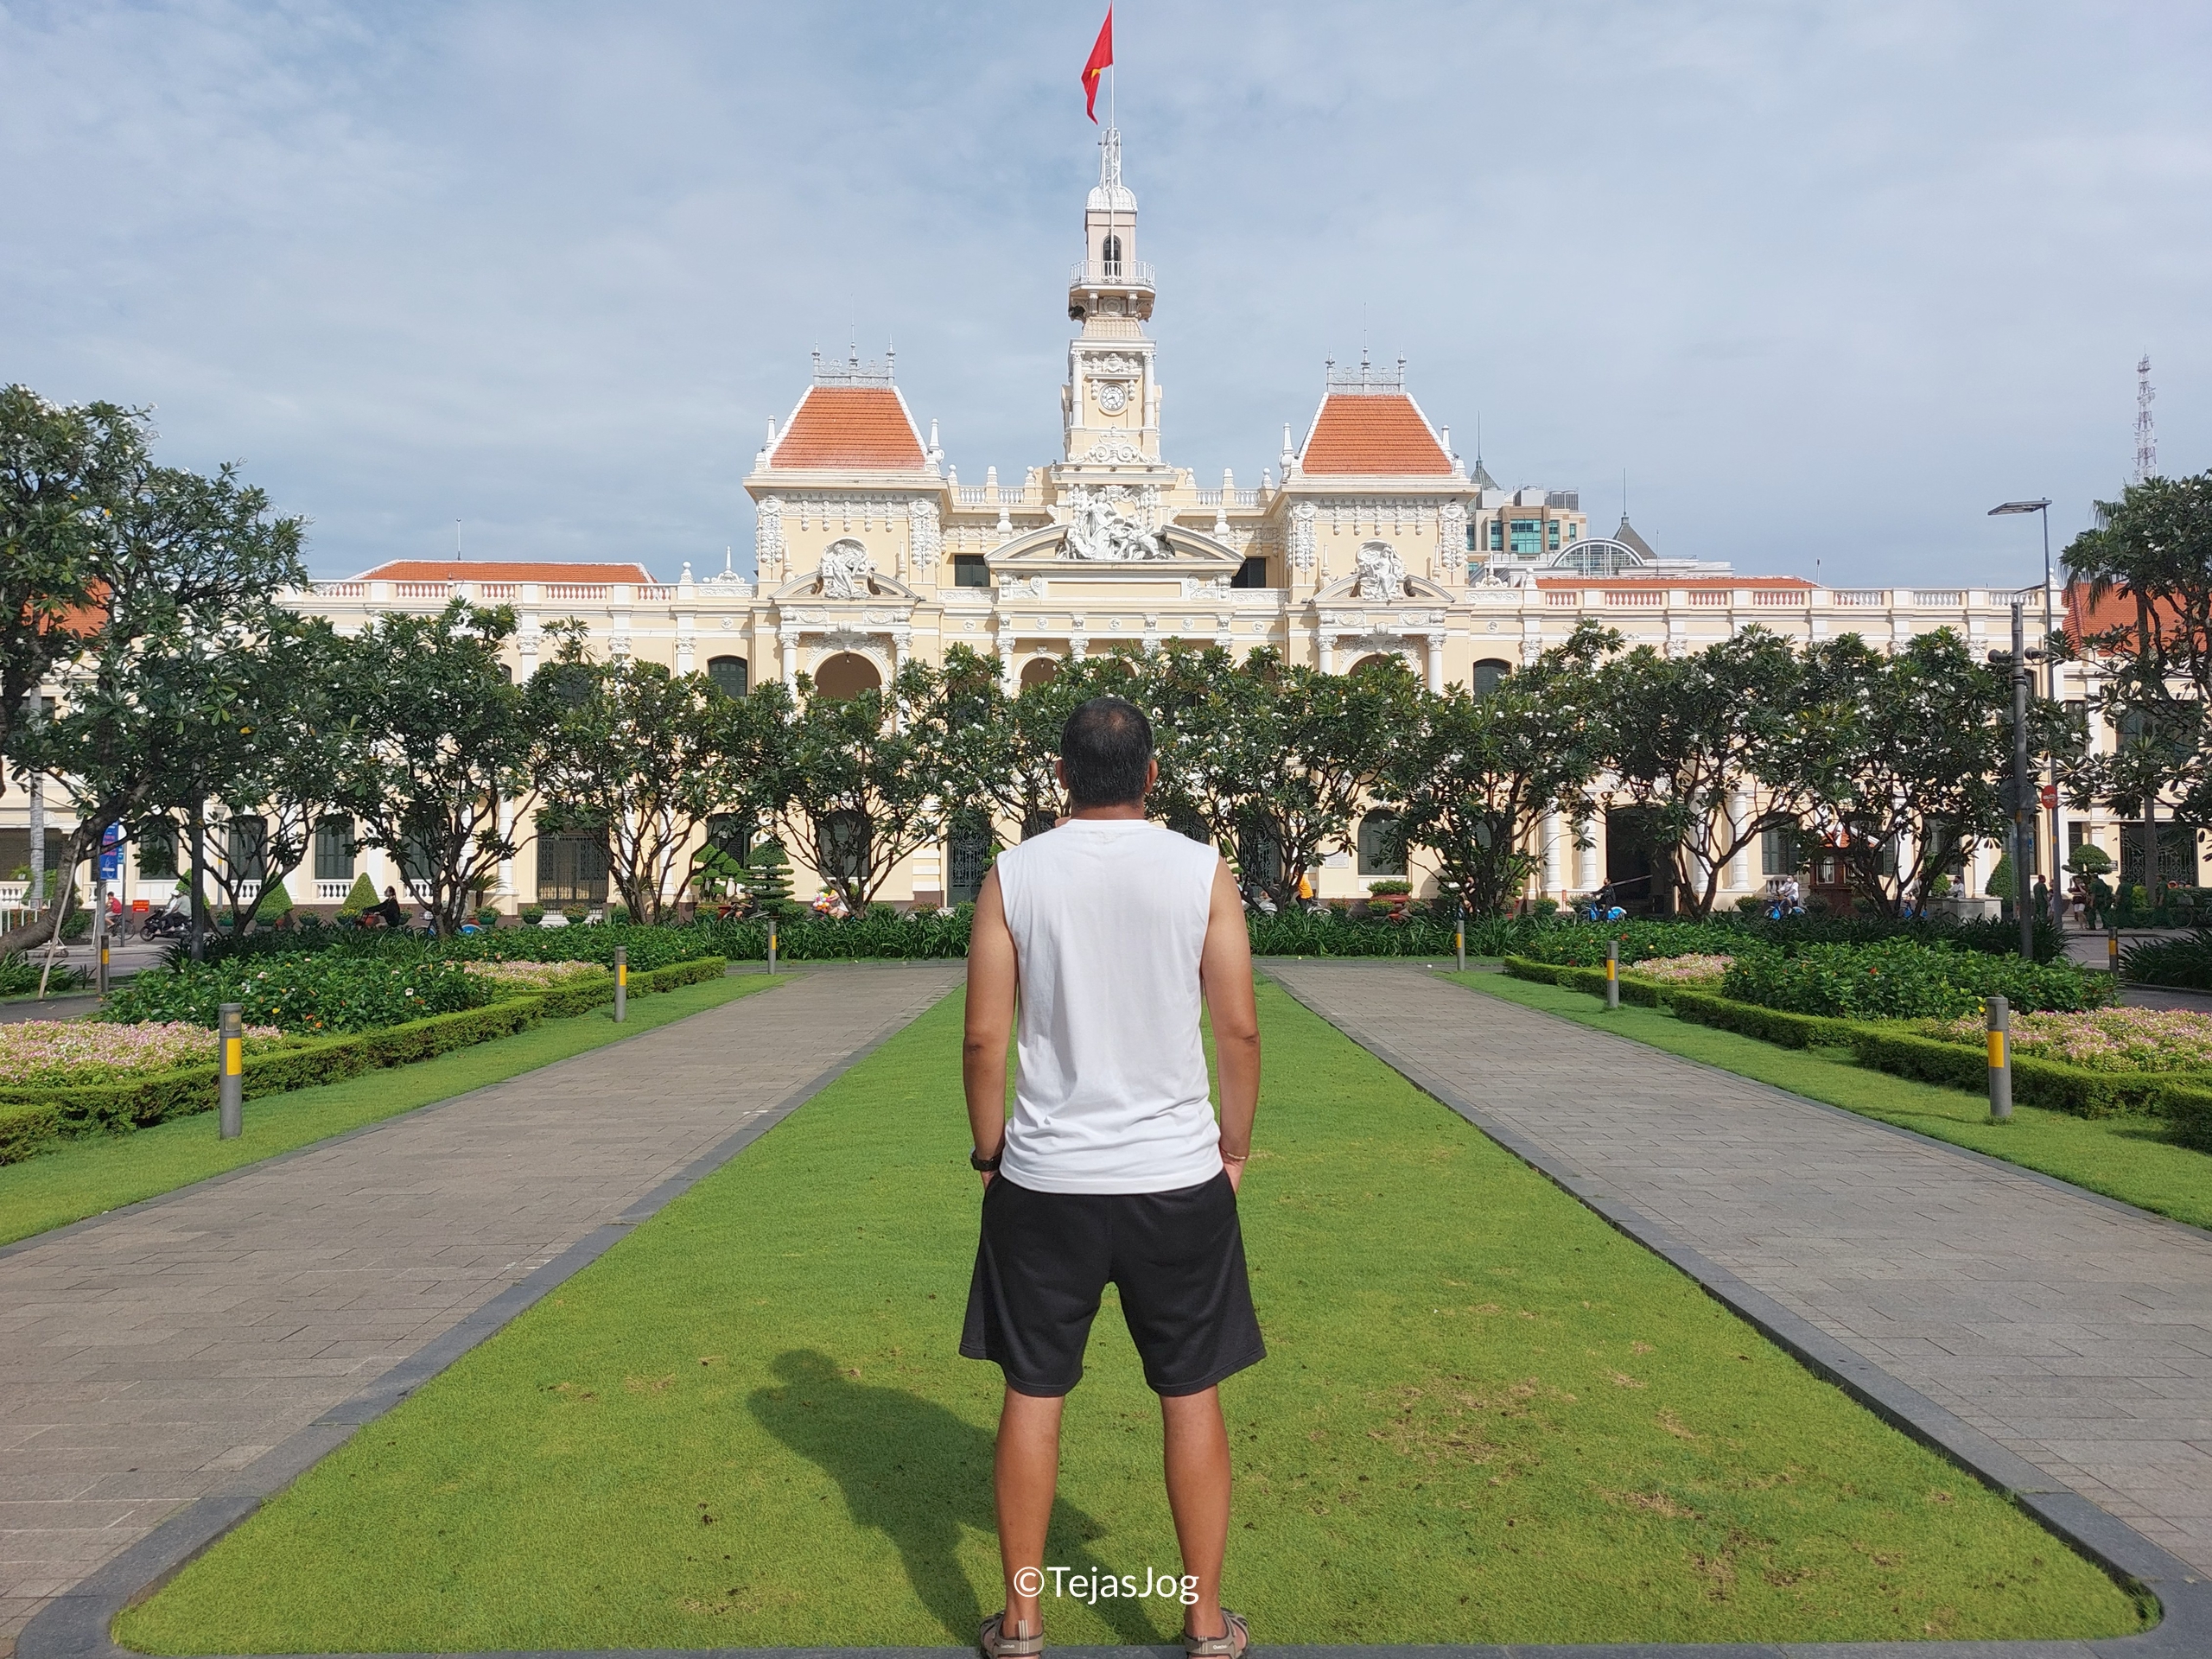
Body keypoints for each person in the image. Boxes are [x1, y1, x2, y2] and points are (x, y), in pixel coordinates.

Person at [962, 695, 1263, 1659]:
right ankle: (1206, 1623)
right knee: (1190, 1392)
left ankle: (1022, 1621)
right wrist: (1235, 1148)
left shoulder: (1014, 873)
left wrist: (988, 1153)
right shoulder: (1198, 868)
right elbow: (1239, 1027)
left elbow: (982, 1036)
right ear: (1151, 774)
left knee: (1033, 1393)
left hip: (1044, 1176)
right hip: (1176, 1176)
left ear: (1060, 775)